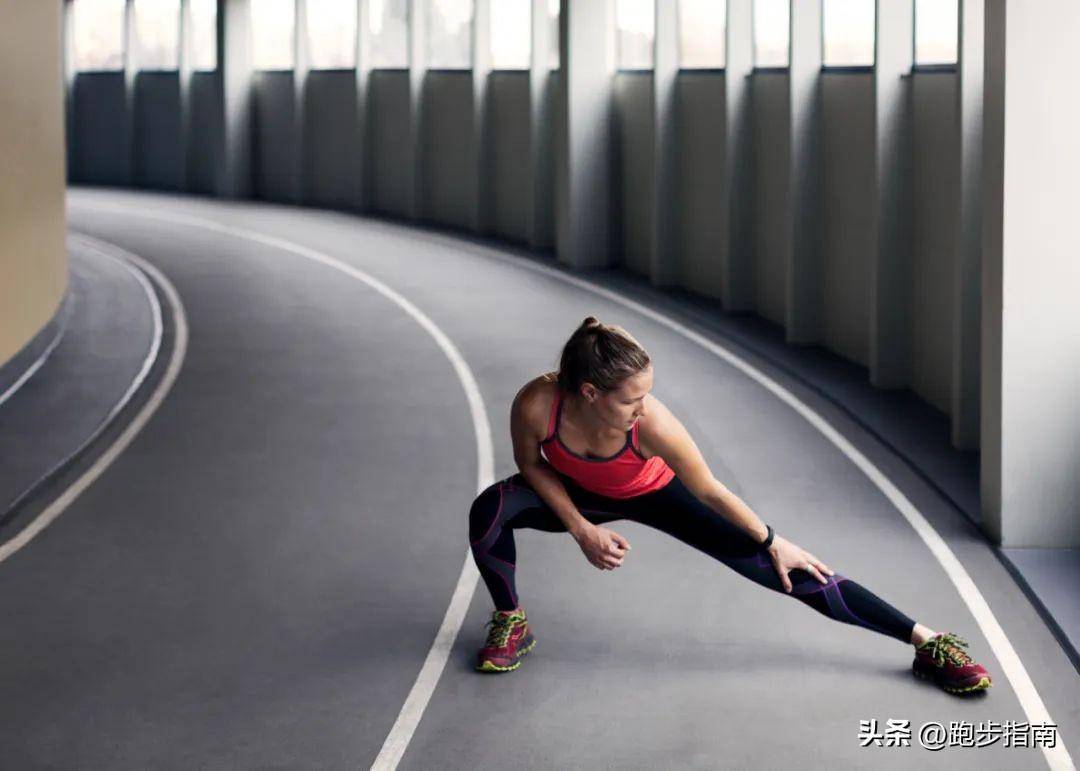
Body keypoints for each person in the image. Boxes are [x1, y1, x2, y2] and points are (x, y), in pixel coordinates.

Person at [468, 317, 993, 694]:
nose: (643, 407)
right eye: (631, 399)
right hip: (582, 496)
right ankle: (512, 620)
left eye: (647, 395)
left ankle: (928, 641)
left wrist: (771, 541)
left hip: (658, 495)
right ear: (588, 393)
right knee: (490, 509)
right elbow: (532, 466)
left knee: (788, 571)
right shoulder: (538, 403)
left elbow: (710, 490)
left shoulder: (652, 426)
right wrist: (582, 529)